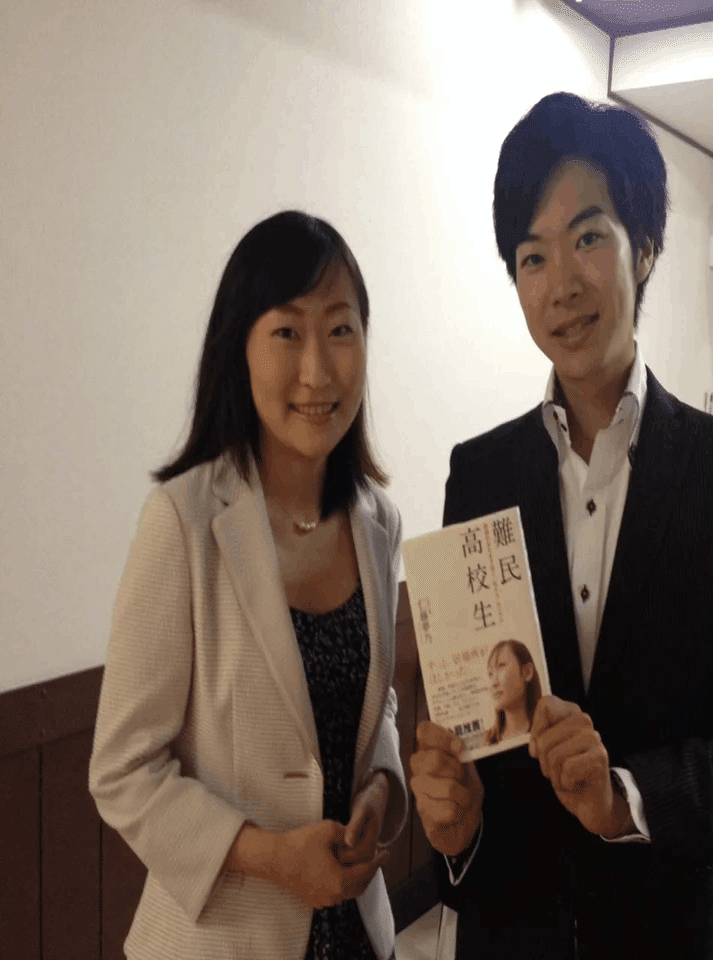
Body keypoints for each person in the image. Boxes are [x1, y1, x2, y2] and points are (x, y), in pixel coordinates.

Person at [409, 93, 713, 959]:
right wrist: (452, 825)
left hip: (659, 934)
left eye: (589, 237)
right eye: (532, 256)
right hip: (506, 938)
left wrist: (625, 797)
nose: (562, 283)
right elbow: (474, 739)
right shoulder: (479, 475)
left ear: (647, 247)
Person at [89, 211, 407, 960]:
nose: (318, 371)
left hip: (358, 933)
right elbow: (123, 769)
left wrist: (381, 789)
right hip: (226, 939)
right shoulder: (184, 521)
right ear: (239, 346)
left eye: (341, 330)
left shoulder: (378, 521)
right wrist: (269, 856)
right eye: (287, 332)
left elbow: (375, 703)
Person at [483, 640, 543, 746]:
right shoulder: (487, 742)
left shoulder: (548, 729)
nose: (494, 683)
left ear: (527, 672)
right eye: (490, 674)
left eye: (501, 667)